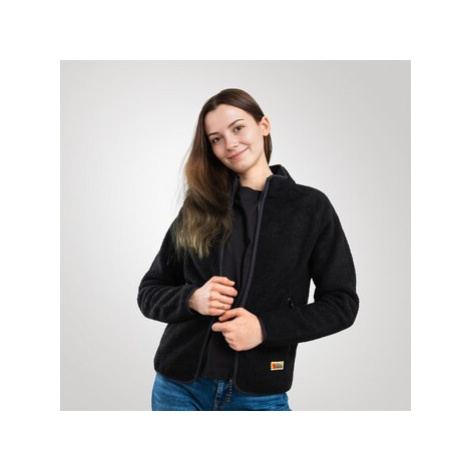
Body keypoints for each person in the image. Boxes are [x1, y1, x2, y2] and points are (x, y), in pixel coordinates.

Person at [137, 88, 359, 411]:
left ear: (263, 125)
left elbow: (342, 304)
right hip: (178, 389)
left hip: (258, 395)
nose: (230, 143)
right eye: (216, 139)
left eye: (238, 128)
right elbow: (149, 291)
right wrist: (191, 299)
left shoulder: (310, 208)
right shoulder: (199, 207)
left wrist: (264, 329)